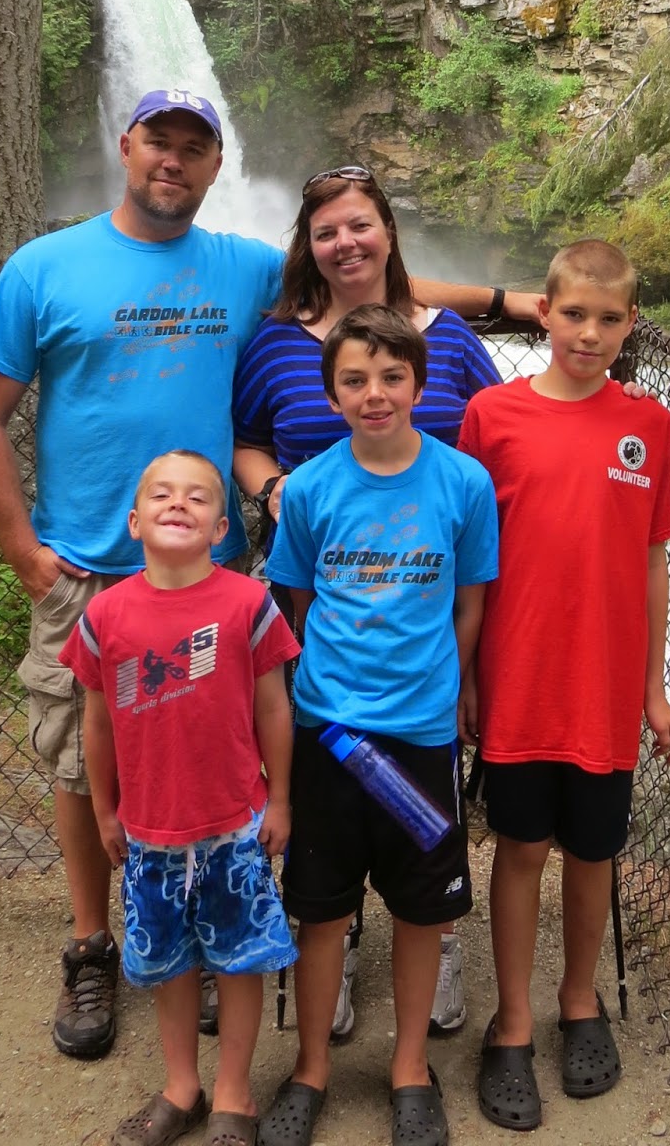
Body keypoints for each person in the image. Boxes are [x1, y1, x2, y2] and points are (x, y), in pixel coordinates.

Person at [0, 91, 536, 1063]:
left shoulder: (243, 266)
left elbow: (365, 274)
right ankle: (92, 944)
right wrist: (24, 554)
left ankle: (228, 934)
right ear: (127, 145)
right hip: (90, 564)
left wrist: (506, 302)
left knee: (228, 762)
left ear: (216, 164)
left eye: (195, 147)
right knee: (82, 760)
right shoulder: (43, 266)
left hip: (224, 575)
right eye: (159, 142)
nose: (173, 160)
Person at [232, 164, 503, 1040]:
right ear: (306, 245)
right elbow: (246, 438)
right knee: (334, 805)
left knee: (422, 820)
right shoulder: (278, 342)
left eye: (360, 225)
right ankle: (335, 935)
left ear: (387, 232)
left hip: (428, 601)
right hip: (329, 599)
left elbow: (503, 426)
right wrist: (275, 490)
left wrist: (588, 366)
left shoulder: (445, 337)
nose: (345, 243)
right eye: (326, 231)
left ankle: (436, 934)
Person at [457, 239, 670, 1132]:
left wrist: (652, 692)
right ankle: (511, 1021)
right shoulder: (490, 415)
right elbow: (470, 563)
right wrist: (466, 676)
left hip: (602, 686)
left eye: (607, 319)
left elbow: (651, 564)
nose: (588, 334)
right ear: (543, 313)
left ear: (630, 323)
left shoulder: (651, 426)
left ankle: (578, 1000)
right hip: (518, 678)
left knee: (594, 854)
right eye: (572, 315)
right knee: (520, 848)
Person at [256, 305, 499, 1146]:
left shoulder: (462, 483)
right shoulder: (309, 489)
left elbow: (469, 602)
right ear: (330, 393)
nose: (375, 394)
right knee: (322, 909)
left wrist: (456, 688)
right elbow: (300, 604)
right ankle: (310, 1068)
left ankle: (408, 1068)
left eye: (392, 377)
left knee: (422, 908)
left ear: (419, 385)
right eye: (354, 379)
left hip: (421, 736)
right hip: (330, 733)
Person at [59, 450, 299, 1146]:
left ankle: (233, 1095)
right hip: (149, 831)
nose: (178, 504)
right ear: (134, 521)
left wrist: (280, 799)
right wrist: (105, 811)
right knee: (171, 963)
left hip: (234, 826)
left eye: (197, 497)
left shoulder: (247, 603)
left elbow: (273, 709)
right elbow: (97, 723)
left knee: (239, 961)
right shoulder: (106, 615)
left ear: (221, 526)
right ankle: (182, 1088)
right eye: (161, 494)